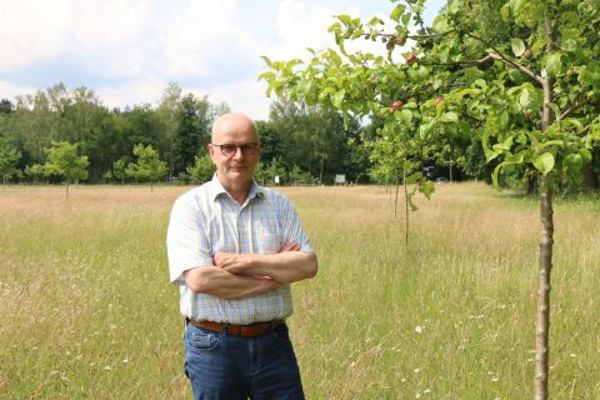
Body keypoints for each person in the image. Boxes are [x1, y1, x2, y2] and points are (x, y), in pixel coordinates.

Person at [166, 112, 318, 399]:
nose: (239, 155)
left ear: (258, 152)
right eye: (228, 148)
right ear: (212, 152)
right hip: (213, 345)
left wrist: (244, 262)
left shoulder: (279, 205)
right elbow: (200, 279)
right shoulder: (190, 207)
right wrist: (273, 278)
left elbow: (308, 264)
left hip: (273, 343)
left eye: (248, 147)